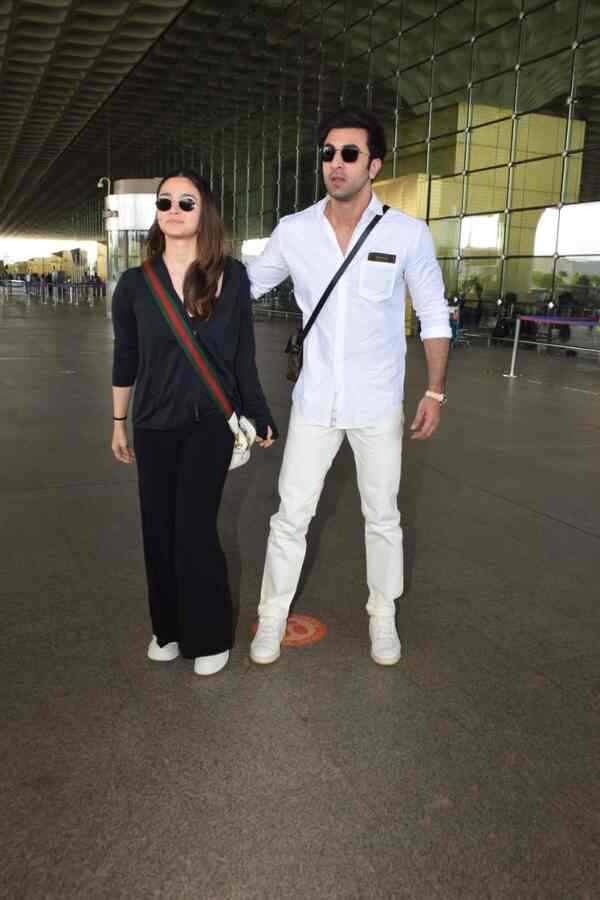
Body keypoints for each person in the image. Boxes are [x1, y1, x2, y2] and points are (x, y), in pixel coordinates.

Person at [248, 108, 450, 667]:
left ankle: (383, 617)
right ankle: (271, 617)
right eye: (328, 153)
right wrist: (183, 276)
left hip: (377, 403)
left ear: (374, 164)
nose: (335, 164)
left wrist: (434, 391)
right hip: (314, 402)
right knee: (290, 513)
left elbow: (433, 313)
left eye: (349, 154)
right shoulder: (294, 230)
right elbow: (245, 287)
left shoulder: (407, 233)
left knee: (382, 515)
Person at [111, 169, 278, 676]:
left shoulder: (232, 275)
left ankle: (207, 634)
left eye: (187, 202)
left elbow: (242, 356)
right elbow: (127, 357)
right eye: (166, 203)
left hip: (210, 423)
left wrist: (259, 411)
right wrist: (118, 421)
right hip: (154, 424)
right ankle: (167, 628)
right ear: (156, 214)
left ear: (205, 210)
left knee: (194, 531)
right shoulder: (136, 284)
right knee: (157, 530)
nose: (175, 211)